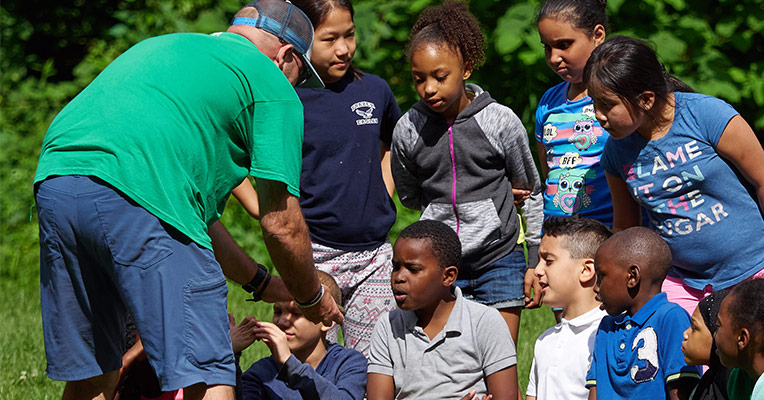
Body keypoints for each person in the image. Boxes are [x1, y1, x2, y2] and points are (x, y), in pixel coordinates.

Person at [32, 0, 343, 398]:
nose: (296, 88)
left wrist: (263, 283)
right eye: (300, 76)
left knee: (95, 371)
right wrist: (311, 298)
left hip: (57, 179)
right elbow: (280, 223)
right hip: (138, 194)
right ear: (286, 57)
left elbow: (192, 219)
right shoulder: (270, 82)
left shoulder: (169, 47)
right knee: (208, 371)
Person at [583, 36, 764, 316]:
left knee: (753, 358)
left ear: (646, 99)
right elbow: (627, 229)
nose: (598, 116)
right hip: (682, 283)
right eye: (594, 104)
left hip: (751, 269)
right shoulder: (616, 154)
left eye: (607, 105)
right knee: (681, 356)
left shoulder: (706, 115)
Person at [233, 0, 401, 355]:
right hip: (313, 256)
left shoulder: (375, 91)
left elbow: (390, 146)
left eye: (350, 35)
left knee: (372, 364)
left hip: (374, 255)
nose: (344, 48)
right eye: (329, 39)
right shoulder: (285, 96)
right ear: (302, 41)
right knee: (314, 361)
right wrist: (260, 209)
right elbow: (236, 164)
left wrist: (382, 192)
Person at [390, 0, 544, 343]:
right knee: (449, 369)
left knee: (500, 366)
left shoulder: (500, 121)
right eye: (419, 79)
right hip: (439, 267)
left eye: (440, 77)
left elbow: (530, 190)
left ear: (466, 69)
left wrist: (534, 257)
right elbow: (410, 194)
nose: (429, 88)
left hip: (499, 260)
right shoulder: (408, 130)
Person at [366, 220, 519, 400]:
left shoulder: (485, 322)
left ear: (448, 276)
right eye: (396, 267)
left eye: (413, 269)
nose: (399, 277)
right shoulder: (388, 326)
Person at [587, 227, 699, 400]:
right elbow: (594, 392)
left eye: (602, 276)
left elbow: (682, 391)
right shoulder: (606, 328)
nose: (596, 287)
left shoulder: (670, 318)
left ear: (632, 277)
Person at [534, 0, 612, 225]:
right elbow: (548, 169)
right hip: (555, 233)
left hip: (606, 231)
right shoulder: (548, 102)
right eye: (547, 47)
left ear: (597, 35)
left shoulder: (619, 98)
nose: (553, 58)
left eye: (564, 45)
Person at [239, 271, 367, 400]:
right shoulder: (264, 372)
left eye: (296, 313)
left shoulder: (348, 363)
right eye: (278, 311)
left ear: (327, 321)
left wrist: (290, 364)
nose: (282, 321)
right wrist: (229, 355)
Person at [526, 216, 611, 400]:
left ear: (586, 270)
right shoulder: (544, 341)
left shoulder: (608, 336)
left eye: (548, 261)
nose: (538, 270)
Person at [680, 290, 733, 400]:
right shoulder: (705, 385)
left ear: (716, 334)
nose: (685, 334)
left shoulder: (735, 389)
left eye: (695, 328)